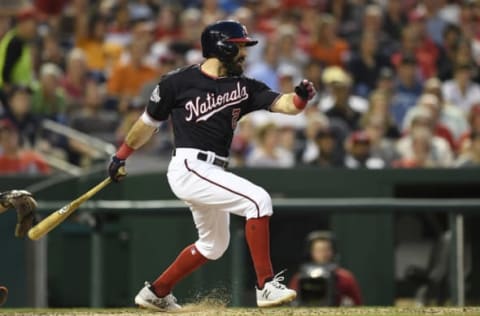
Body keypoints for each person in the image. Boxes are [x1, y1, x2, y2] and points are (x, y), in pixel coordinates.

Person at [107, 20, 315, 311]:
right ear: (223, 47)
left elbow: (285, 105)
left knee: (214, 245)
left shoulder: (244, 86)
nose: (244, 54)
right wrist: (120, 156)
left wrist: (301, 99)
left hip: (213, 170)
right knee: (258, 201)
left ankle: (157, 292)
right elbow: (147, 124)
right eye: (240, 47)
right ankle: (266, 286)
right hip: (189, 166)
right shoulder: (176, 82)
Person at [289, 231, 362, 306]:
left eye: (326, 250)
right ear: (311, 252)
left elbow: (358, 304)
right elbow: (291, 303)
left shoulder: (346, 278)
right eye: (318, 250)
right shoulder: (299, 278)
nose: (323, 254)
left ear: (333, 251)